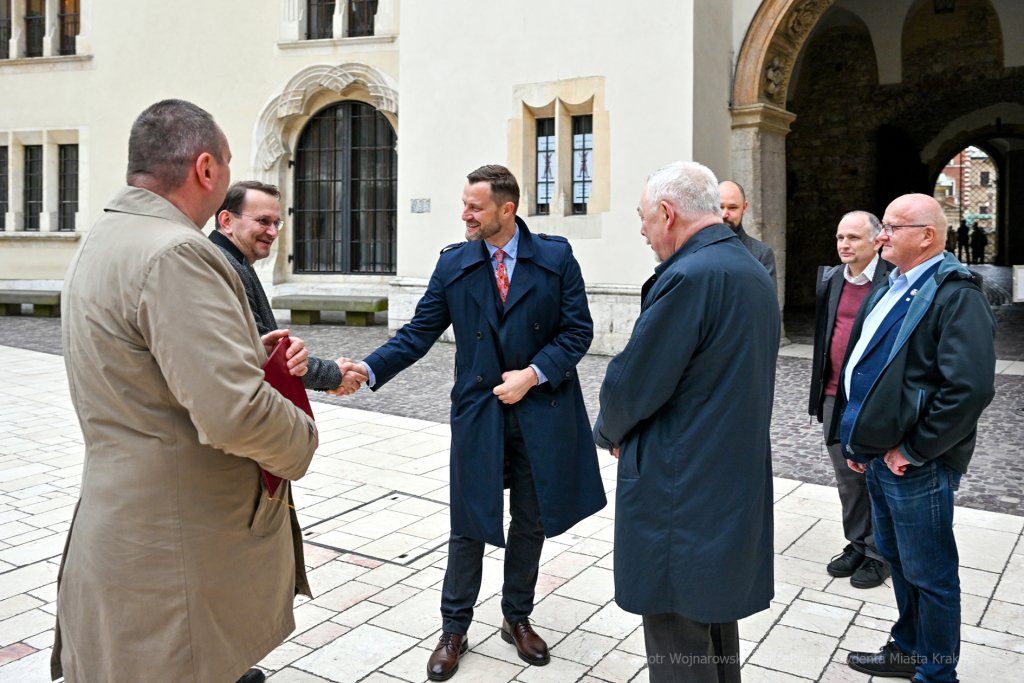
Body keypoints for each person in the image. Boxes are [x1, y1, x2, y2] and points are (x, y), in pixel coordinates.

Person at [54, 100, 320, 683]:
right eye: (226, 163)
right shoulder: (177, 252)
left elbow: (148, 371)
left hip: (124, 523)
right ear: (206, 169)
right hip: (174, 543)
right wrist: (302, 438)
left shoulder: (104, 237)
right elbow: (235, 414)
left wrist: (253, 355)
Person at [340, 165, 606, 681]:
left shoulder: (555, 257)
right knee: (468, 525)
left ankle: (516, 617)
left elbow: (578, 333)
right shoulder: (455, 264)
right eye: (464, 204)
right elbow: (417, 334)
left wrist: (532, 374)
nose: (465, 214)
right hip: (479, 414)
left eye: (475, 207)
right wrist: (368, 369)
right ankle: (453, 628)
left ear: (506, 210)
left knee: (530, 522)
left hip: (540, 412)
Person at [595, 161, 779, 683]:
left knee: (678, 632)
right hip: (725, 478)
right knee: (713, 616)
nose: (642, 230)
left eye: (643, 217)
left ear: (669, 213)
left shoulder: (690, 277)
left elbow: (633, 384)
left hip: (682, 486)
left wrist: (610, 433)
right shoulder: (747, 267)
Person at [830, 194, 996, 683]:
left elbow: (968, 389)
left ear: (926, 236)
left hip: (915, 463)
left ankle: (937, 673)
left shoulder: (955, 293)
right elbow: (868, 363)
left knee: (932, 575)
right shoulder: (894, 284)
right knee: (899, 561)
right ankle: (906, 650)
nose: (881, 236)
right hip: (880, 456)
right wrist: (859, 442)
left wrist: (915, 448)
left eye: (892, 228)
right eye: (882, 226)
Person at [210, 180, 363, 394]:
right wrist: (333, 374)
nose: (273, 232)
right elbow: (261, 351)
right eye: (263, 221)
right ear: (227, 221)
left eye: (276, 223)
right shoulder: (224, 264)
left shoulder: (232, 259)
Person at [808, 211, 893, 589]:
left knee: (875, 474)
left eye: (854, 238)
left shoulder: (892, 280)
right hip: (832, 393)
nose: (845, 245)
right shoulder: (830, 280)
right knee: (846, 477)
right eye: (840, 237)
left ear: (876, 241)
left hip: (872, 397)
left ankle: (880, 553)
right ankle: (858, 542)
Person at [719, 180, 777, 290]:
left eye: (732, 208)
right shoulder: (697, 249)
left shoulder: (761, 254)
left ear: (744, 208)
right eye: (720, 207)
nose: (724, 214)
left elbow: (767, 303)